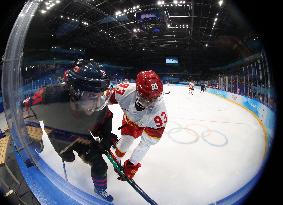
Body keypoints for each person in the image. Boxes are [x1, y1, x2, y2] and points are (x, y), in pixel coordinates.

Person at [22, 59, 117, 202]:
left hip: (81, 134)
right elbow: (27, 108)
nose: (97, 102)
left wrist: (106, 136)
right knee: (68, 158)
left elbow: (106, 118)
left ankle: (100, 190)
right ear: (74, 91)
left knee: (100, 165)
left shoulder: (98, 105)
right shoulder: (49, 95)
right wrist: (34, 138)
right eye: (91, 95)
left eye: (99, 94)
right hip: (58, 132)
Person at [109, 70, 167, 180]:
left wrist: (132, 165)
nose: (151, 103)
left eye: (154, 98)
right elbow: (102, 99)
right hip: (129, 122)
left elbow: (145, 144)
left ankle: (117, 153)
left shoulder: (160, 115)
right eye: (147, 98)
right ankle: (117, 154)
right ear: (137, 91)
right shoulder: (124, 91)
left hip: (143, 125)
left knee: (128, 142)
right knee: (126, 142)